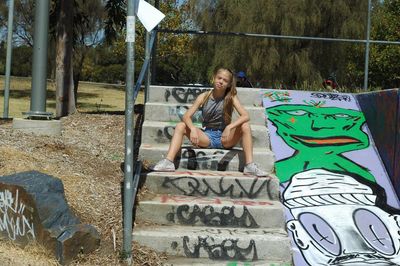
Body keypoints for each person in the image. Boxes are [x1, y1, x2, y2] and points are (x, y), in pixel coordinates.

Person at [151, 68, 267, 177]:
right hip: (207, 136)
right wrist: (192, 129)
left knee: (245, 126)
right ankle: (168, 162)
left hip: (225, 138)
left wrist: (229, 127)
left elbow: (246, 116)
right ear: (214, 78)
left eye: (225, 80)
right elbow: (186, 116)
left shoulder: (231, 97)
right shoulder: (204, 96)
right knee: (181, 126)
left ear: (229, 84)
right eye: (219, 78)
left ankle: (249, 165)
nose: (221, 82)